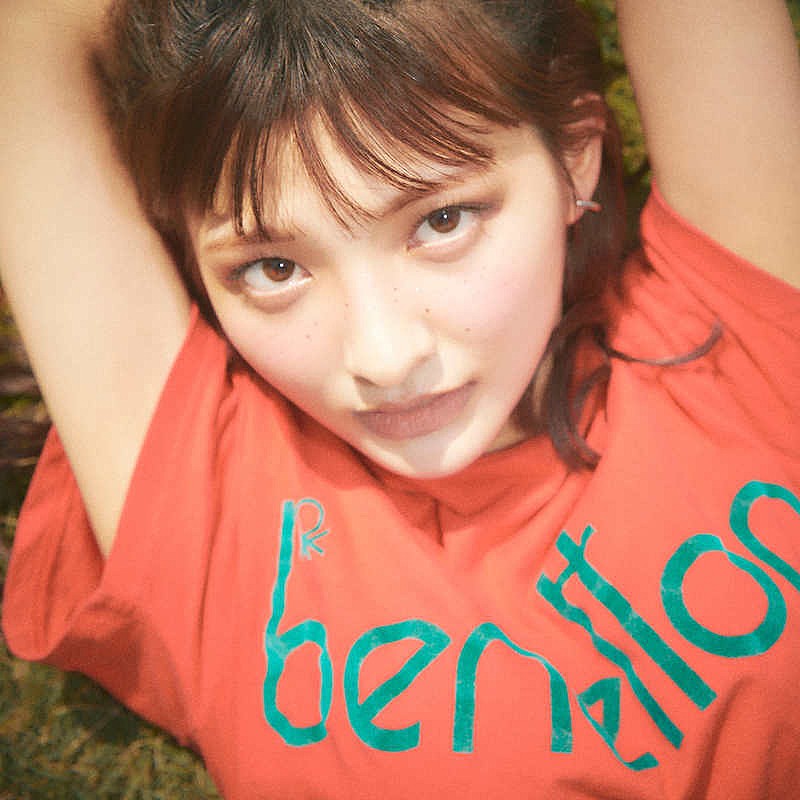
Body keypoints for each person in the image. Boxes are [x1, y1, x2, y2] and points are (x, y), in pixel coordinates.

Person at [1, 0, 799, 796]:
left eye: (443, 221)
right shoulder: (212, 509)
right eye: (274, 269)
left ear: (575, 159)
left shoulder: (742, 340)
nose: (383, 359)